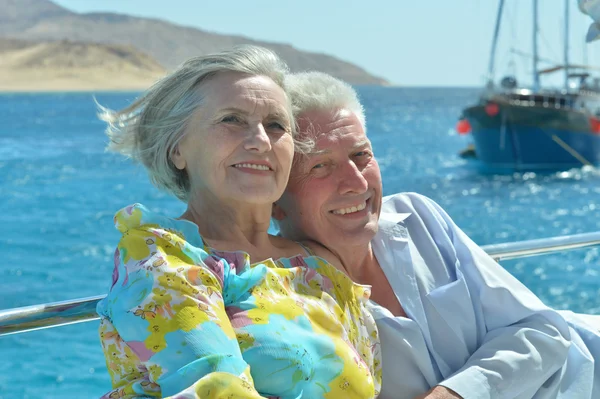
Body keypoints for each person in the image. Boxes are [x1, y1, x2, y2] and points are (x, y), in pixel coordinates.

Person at [273, 71, 600, 399]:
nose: (357, 182)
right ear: (276, 201)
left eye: (361, 155)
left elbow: (543, 329)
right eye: (320, 166)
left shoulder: (418, 218)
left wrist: (455, 394)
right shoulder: (283, 304)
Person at [95, 47, 381, 399]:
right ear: (177, 149)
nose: (260, 140)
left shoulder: (317, 261)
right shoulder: (163, 257)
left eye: (276, 125)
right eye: (231, 120)